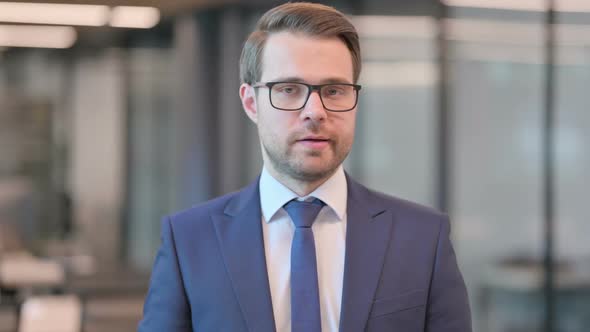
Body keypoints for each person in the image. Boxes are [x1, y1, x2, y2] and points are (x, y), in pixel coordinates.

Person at [138, 2, 471, 332]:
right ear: (251, 103)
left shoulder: (423, 239)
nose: (315, 111)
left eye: (334, 90)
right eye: (288, 89)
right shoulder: (189, 241)